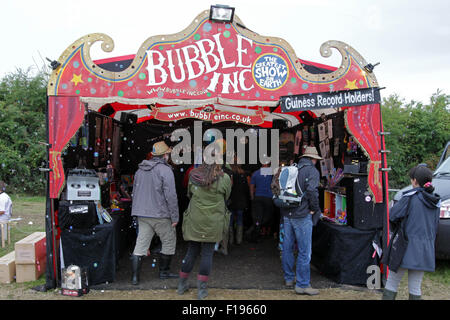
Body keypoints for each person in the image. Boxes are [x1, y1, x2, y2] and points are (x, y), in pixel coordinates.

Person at [382, 165, 440, 300]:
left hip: (404, 248)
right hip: (425, 249)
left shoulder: (410, 198)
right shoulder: (436, 202)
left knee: (392, 283)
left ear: (414, 181)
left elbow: (392, 215)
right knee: (415, 287)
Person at [177, 162, 231, 300]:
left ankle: (182, 284)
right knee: (207, 253)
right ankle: (201, 290)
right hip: (213, 221)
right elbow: (227, 196)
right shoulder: (224, 178)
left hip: (195, 219)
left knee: (191, 251)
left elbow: (189, 194)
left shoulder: (193, 176)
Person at [130, 141, 179, 285]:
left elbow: (135, 192)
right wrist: (175, 216)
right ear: (165, 155)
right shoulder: (166, 170)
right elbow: (171, 196)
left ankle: (135, 278)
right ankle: (164, 272)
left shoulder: (140, 170)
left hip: (142, 214)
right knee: (169, 242)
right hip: (161, 214)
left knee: (140, 246)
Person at [280, 146, 322, 296]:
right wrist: (314, 208)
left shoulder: (292, 168)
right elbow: (311, 191)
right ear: (313, 159)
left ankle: (289, 278)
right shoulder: (312, 171)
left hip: (287, 213)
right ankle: (303, 284)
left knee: (287, 247)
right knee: (305, 251)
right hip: (302, 214)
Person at [248, 162, 274, 242]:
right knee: (267, 217)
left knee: (257, 217)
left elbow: (251, 186)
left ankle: (254, 231)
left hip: (258, 197)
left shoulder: (255, 173)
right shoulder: (272, 173)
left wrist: (252, 197)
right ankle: (255, 230)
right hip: (268, 198)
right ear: (269, 163)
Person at [228, 161, 250, 245]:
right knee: (240, 220)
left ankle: (230, 240)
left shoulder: (230, 174)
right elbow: (246, 189)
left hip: (232, 200)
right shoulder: (243, 175)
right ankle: (239, 239)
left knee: (230, 220)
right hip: (241, 200)